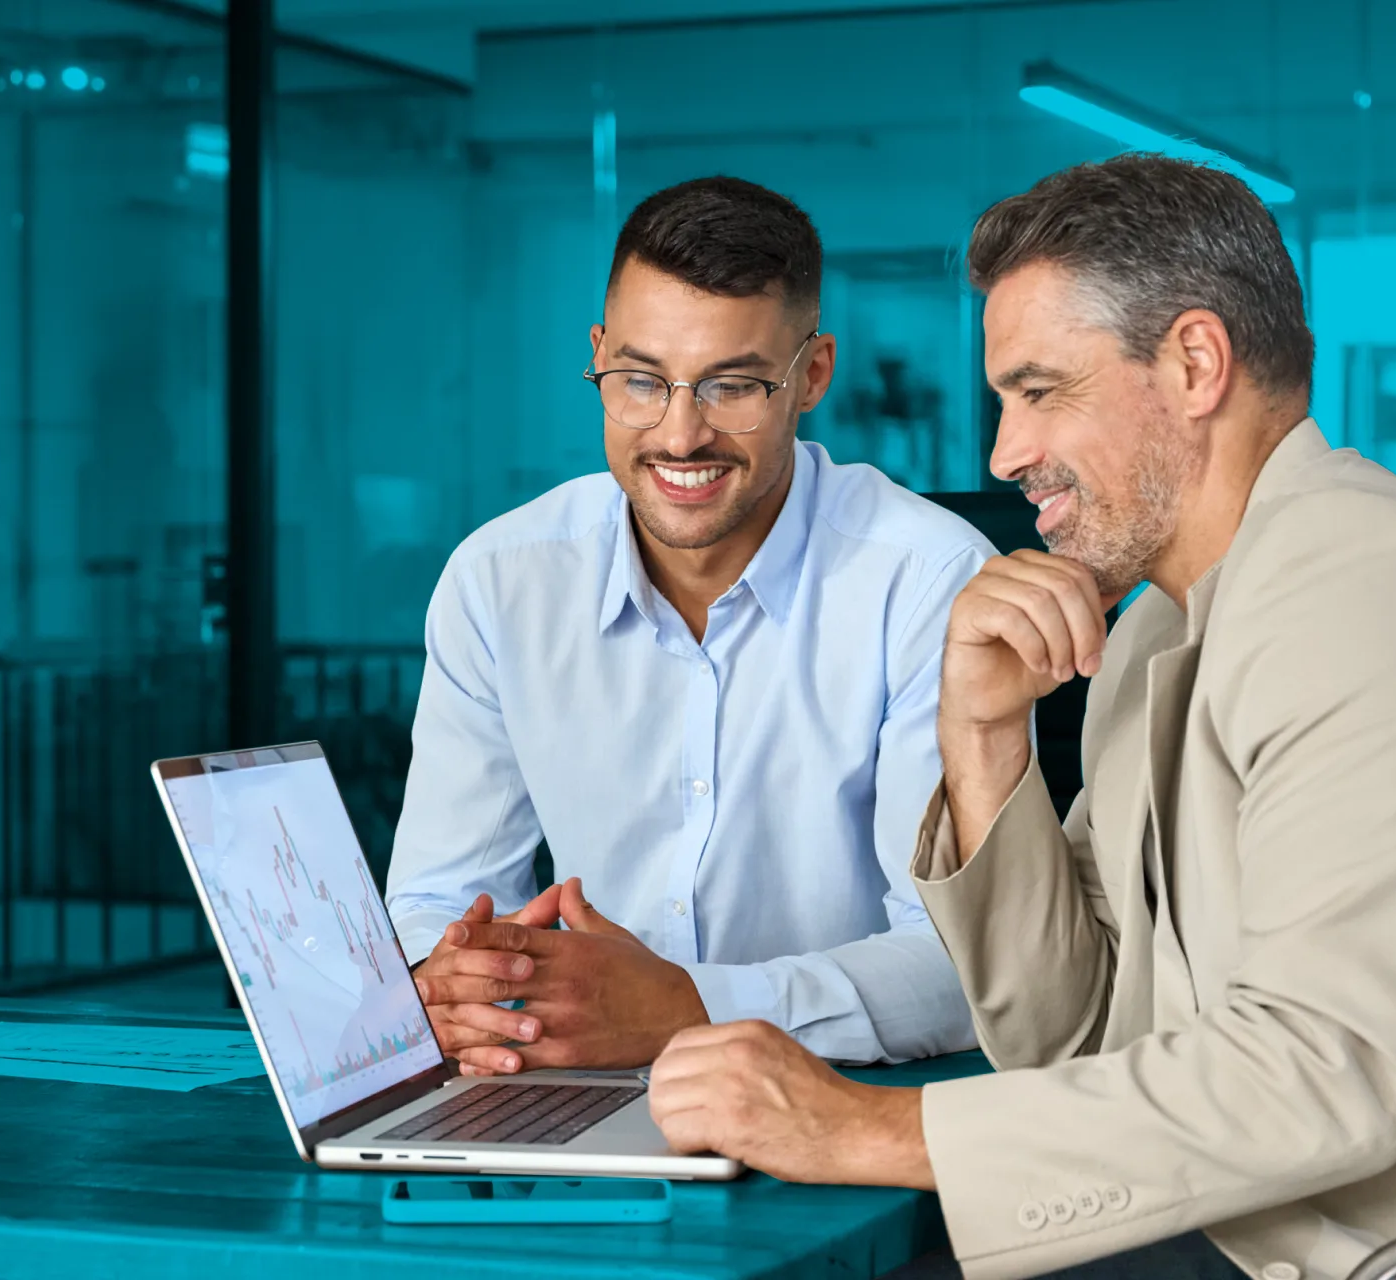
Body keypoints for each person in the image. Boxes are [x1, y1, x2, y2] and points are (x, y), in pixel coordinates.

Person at [645, 154, 1396, 1280]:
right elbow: (1073, 1032)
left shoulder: (1382, 598)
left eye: (1041, 391)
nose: (1007, 454)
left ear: (1196, 361)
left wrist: (856, 1129)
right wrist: (988, 741)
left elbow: (1320, 1077)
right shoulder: (1167, 626)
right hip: (1319, 1241)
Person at [383, 176, 989, 1074]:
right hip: (561, 1082)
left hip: (841, 1107)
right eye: (639, 381)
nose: (678, 435)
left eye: (732, 386)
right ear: (598, 355)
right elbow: (438, 902)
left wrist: (684, 1011)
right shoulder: (501, 581)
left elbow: (961, 966)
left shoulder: (927, 580)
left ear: (811, 375)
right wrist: (464, 986)